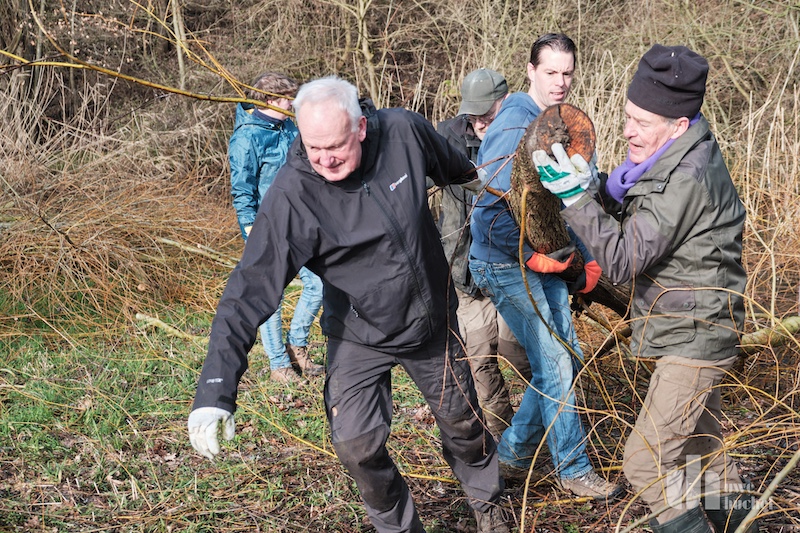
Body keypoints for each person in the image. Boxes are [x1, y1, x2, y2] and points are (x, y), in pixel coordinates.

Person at [188, 76, 510, 533]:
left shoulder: (403, 131)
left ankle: (489, 505)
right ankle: (399, 526)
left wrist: (501, 196)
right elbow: (248, 290)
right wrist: (214, 391)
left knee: (464, 426)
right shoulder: (293, 195)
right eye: (313, 147)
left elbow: (457, 169)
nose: (324, 159)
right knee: (356, 445)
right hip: (358, 330)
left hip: (431, 323)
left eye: (335, 145)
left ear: (360, 126)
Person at [536, 44, 757, 532]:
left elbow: (620, 259)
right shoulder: (671, 158)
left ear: (677, 126)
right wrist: (596, 191)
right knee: (707, 454)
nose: (627, 131)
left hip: (696, 336)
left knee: (643, 462)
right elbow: (641, 225)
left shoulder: (688, 178)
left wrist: (576, 200)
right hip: (689, 327)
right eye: (627, 116)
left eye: (642, 122)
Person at [468, 33, 622, 499]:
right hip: (504, 259)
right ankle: (572, 469)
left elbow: (558, 202)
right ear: (531, 71)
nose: (560, 82)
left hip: (545, 259)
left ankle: (512, 456)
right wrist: (530, 255)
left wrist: (583, 256)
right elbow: (490, 206)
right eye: (550, 72)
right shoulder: (515, 123)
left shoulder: (557, 121)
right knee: (555, 360)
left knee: (563, 359)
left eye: (567, 73)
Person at [435, 67, 532, 438]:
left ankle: (545, 422)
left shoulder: (521, 138)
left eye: (487, 115)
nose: (479, 122)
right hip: (464, 273)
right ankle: (505, 440)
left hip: (510, 268)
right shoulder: (447, 141)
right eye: (472, 114)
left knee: (520, 352)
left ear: (503, 104)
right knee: (480, 362)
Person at [227, 71, 324, 384]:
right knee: (272, 296)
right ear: (268, 101)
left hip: (301, 222)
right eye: (286, 99)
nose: (292, 104)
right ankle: (279, 365)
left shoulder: (289, 128)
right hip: (268, 228)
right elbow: (242, 191)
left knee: (319, 285)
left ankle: (297, 344)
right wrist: (251, 230)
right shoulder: (246, 138)